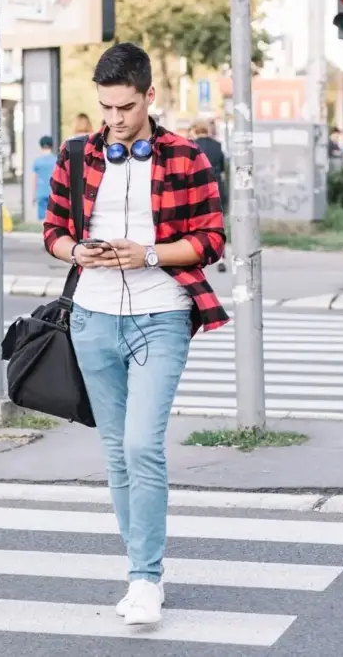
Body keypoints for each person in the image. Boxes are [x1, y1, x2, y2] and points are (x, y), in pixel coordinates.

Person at [41, 42, 228, 626]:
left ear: (149, 95)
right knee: (117, 453)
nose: (116, 120)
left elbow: (211, 240)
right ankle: (139, 571)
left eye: (126, 107)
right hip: (92, 319)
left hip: (161, 314)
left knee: (143, 445)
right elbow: (52, 231)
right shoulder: (76, 155)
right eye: (106, 108)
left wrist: (147, 254)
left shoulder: (186, 157)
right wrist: (77, 251)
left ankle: (147, 579)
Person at [191, 120, 227, 272]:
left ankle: (196, 255)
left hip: (197, 188)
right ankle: (221, 258)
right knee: (218, 223)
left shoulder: (191, 145)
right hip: (217, 187)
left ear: (195, 130)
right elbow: (223, 168)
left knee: (196, 223)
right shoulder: (217, 146)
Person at [31, 135, 57, 220]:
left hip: (41, 193)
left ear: (41, 146)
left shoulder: (37, 161)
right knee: (53, 218)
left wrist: (33, 196)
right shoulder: (56, 160)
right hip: (54, 193)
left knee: (43, 219)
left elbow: (34, 179)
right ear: (52, 146)